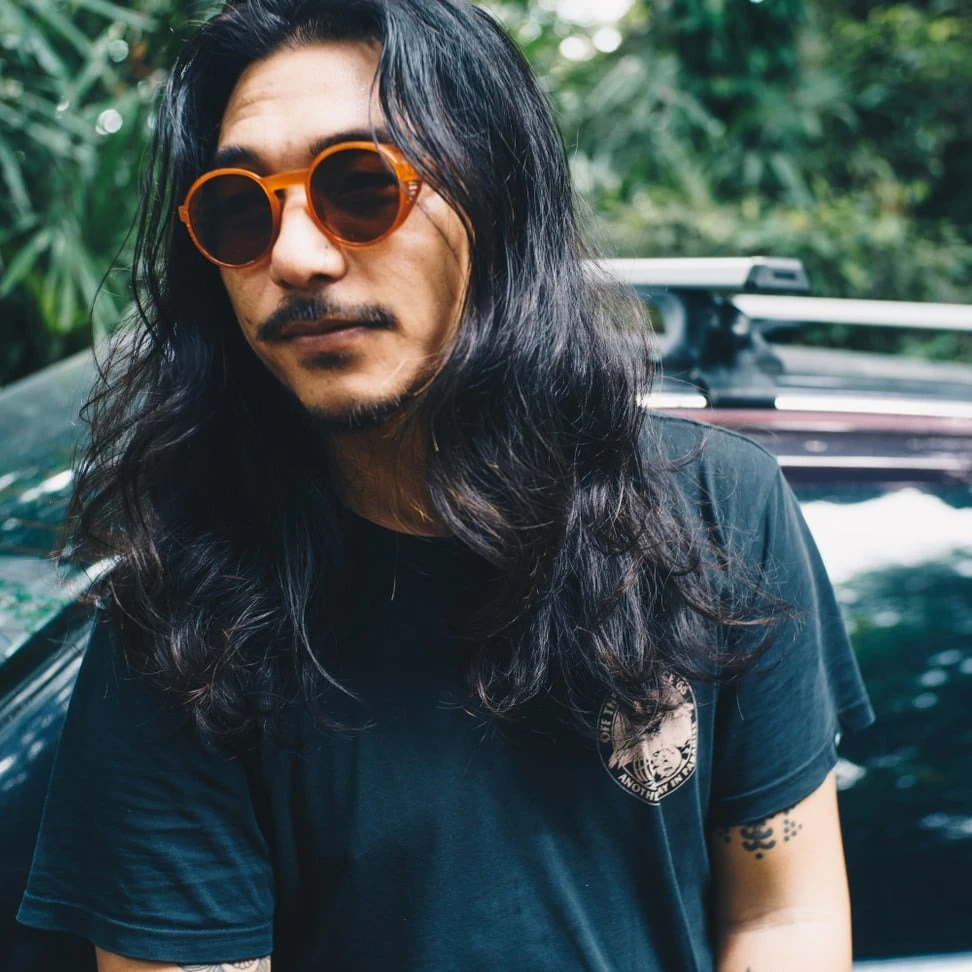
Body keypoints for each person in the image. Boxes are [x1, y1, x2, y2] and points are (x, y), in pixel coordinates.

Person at [18, 0, 874, 969]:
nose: (295, 257)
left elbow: (782, 919)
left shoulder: (717, 510)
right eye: (238, 209)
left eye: (360, 186)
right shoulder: (183, 619)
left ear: (496, 198)